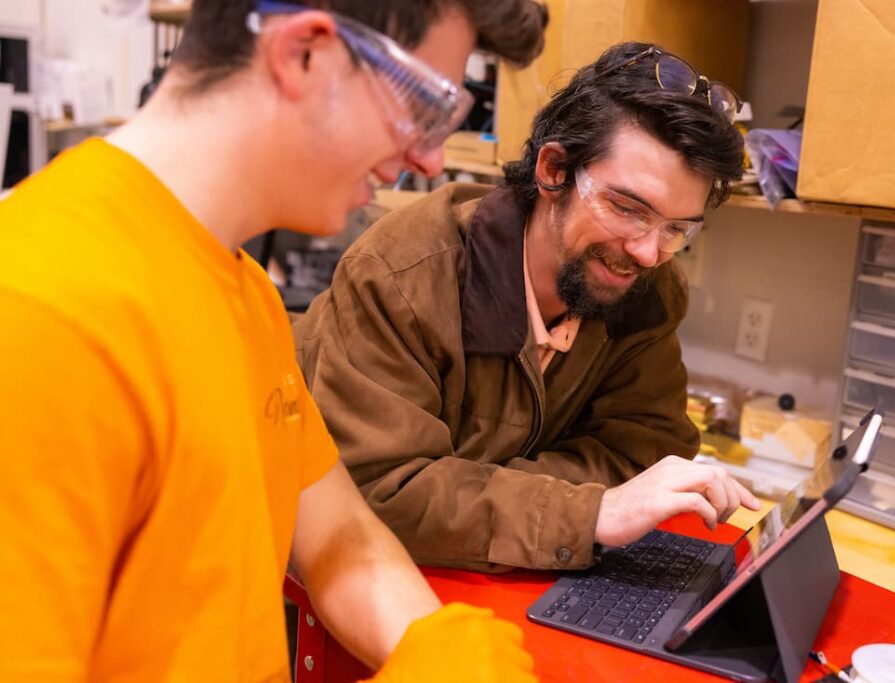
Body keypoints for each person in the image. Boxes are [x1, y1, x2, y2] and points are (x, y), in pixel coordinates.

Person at [0, 0, 545, 680]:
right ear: (304, 54)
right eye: (423, 107)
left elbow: (336, 534)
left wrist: (436, 643)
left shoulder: (244, 290)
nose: (427, 157)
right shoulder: (41, 309)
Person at [293, 41, 761, 573]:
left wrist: (487, 492)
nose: (648, 252)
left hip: (490, 576)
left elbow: (644, 451)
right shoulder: (401, 276)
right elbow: (378, 492)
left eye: (676, 228)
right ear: (555, 171)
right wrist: (587, 511)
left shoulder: (647, 289)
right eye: (628, 208)